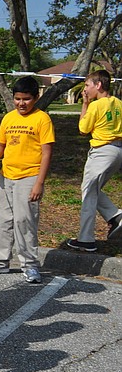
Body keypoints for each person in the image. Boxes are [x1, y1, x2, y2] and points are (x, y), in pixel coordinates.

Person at [0, 76, 54, 283]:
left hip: (29, 177)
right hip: (7, 177)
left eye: (26, 99)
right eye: (17, 99)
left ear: (36, 97)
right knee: (2, 220)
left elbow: (47, 153)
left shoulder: (42, 119)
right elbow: (0, 145)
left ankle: (30, 264)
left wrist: (39, 182)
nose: (21, 103)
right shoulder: (8, 118)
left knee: (25, 221)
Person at [66, 69, 122, 252]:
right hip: (117, 151)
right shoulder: (119, 104)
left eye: (88, 85)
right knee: (93, 189)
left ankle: (86, 239)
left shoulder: (96, 106)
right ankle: (115, 217)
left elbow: (83, 128)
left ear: (98, 85)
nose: (86, 90)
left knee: (88, 193)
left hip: (101, 152)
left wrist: (85, 104)